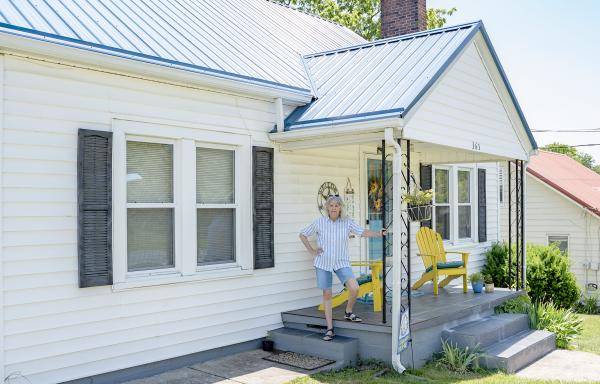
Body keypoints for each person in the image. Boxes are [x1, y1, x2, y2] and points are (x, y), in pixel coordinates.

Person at [299, 195, 386, 341]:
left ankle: (348, 311)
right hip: (323, 263)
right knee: (327, 294)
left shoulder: (347, 222)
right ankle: (329, 328)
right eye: (331, 205)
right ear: (327, 207)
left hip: (341, 262)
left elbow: (362, 232)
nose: (334, 208)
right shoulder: (319, 222)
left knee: (354, 287)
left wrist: (378, 233)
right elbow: (303, 234)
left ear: (340, 208)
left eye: (336, 205)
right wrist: (312, 251)